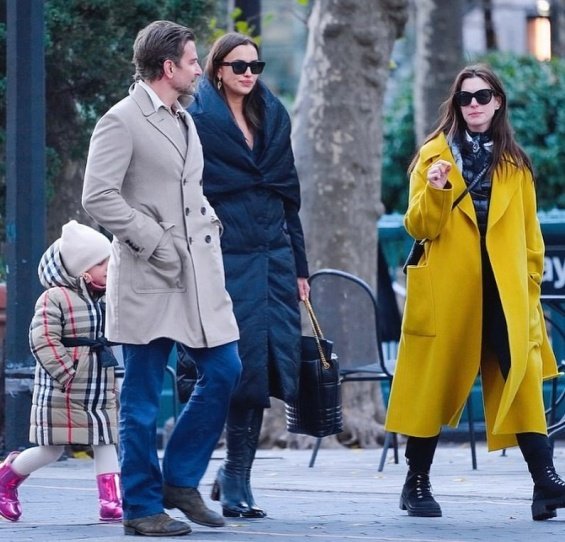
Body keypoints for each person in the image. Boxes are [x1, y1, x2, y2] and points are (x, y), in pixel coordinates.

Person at [82, 21, 242, 537]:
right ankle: (142, 507)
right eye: (194, 61)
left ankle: (179, 480)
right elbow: (98, 196)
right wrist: (153, 240)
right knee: (143, 400)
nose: (201, 69)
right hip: (149, 274)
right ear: (168, 67)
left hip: (198, 276)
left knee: (225, 369)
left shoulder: (184, 118)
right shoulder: (121, 120)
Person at [385, 63, 565, 521]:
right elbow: (418, 226)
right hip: (448, 288)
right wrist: (437, 189)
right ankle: (416, 482)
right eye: (465, 98)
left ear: (498, 101)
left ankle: (546, 482)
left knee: (520, 378)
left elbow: (530, 237)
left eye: (482, 97)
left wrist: (528, 287)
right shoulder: (433, 155)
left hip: (504, 291)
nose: (474, 106)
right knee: (434, 382)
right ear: (456, 104)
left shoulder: (515, 164)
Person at [188, 32, 309, 519]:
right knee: (227, 367)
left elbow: (288, 195)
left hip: (273, 259)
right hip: (223, 256)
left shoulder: (273, 115)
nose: (248, 74)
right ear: (218, 68)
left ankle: (238, 475)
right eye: (238, 65)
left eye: (255, 66)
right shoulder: (198, 119)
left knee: (262, 367)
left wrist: (300, 267)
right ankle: (204, 471)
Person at [0, 220, 122, 523]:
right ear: (80, 269)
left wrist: (116, 376)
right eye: (100, 262)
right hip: (62, 387)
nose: (108, 266)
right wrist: (67, 373)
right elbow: (42, 339)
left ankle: (112, 500)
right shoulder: (54, 298)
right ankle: (6, 479)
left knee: (106, 439)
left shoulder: (105, 298)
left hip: (98, 384)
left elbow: (114, 337)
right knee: (51, 449)